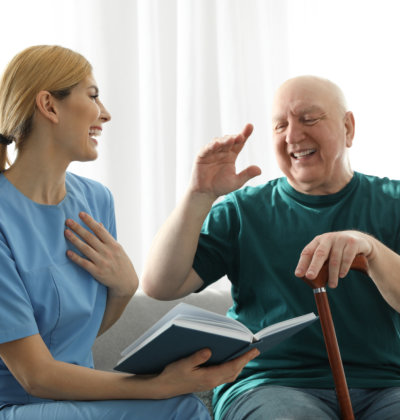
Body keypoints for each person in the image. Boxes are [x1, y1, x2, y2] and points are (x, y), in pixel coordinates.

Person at [0, 45, 259, 420]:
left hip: (75, 398)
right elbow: (36, 375)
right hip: (17, 406)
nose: (105, 113)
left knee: (184, 408)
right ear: (49, 106)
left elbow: (77, 335)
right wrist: (156, 386)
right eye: (92, 96)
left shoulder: (95, 200)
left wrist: (123, 290)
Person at [142, 75, 400, 419]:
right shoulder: (242, 210)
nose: (293, 135)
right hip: (269, 384)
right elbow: (161, 284)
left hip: (388, 385)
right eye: (280, 126)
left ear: (348, 128)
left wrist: (370, 250)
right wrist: (199, 196)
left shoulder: (392, 202)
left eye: (309, 119)